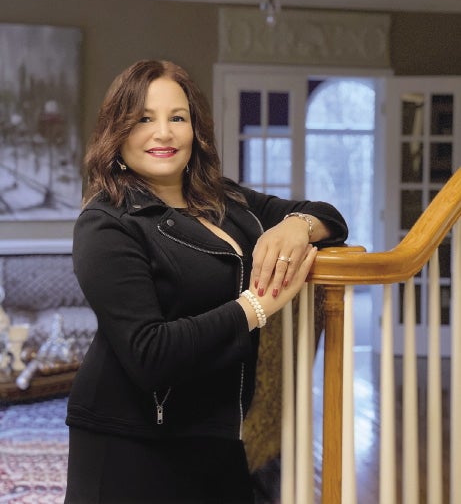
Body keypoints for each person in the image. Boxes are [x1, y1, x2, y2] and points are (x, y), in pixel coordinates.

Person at [64, 59, 348, 504]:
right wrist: (257, 306)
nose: (164, 133)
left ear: (195, 130)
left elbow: (330, 217)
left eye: (178, 117)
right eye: (144, 119)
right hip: (131, 442)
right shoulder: (105, 223)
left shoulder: (226, 199)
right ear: (116, 135)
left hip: (220, 431)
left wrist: (297, 225)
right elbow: (149, 354)